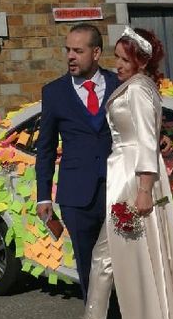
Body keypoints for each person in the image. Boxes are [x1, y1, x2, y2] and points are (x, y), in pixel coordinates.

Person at [60, 27, 173, 319]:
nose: (118, 65)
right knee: (119, 258)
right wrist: (162, 136)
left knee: (106, 257)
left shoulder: (139, 90)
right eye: (117, 58)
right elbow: (149, 132)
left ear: (140, 61)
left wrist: (142, 189)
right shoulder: (139, 86)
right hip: (127, 177)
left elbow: (142, 139)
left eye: (124, 59)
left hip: (131, 181)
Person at [35, 24, 119, 300]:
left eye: (78, 51)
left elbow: (146, 119)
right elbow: (45, 148)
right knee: (89, 267)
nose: (70, 56)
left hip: (118, 190)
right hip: (77, 197)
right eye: (68, 50)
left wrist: (163, 135)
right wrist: (43, 196)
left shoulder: (119, 84)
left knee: (121, 265)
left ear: (96, 53)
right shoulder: (54, 93)